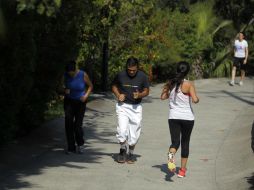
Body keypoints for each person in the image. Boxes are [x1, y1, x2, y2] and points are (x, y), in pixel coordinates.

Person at [161, 61, 199, 178]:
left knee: (175, 142)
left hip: (173, 117)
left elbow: (163, 97)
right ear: (187, 71)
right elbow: (195, 99)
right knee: (185, 142)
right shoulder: (189, 84)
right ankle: (182, 171)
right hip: (187, 118)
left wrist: (170, 93)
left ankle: (171, 156)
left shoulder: (170, 83)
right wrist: (196, 98)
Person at [112, 57, 149, 164]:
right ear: (126, 68)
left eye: (134, 70)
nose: (132, 72)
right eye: (129, 70)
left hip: (136, 107)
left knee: (134, 133)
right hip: (122, 106)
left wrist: (140, 94)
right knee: (122, 130)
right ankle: (123, 150)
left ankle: (131, 153)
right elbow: (114, 86)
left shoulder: (142, 76)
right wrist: (118, 95)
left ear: (137, 68)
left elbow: (146, 91)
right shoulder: (120, 75)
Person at [64, 60, 93, 154]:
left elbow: (90, 86)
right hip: (69, 102)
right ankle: (71, 147)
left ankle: (80, 144)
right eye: (69, 74)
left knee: (77, 126)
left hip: (80, 103)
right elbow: (59, 86)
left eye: (72, 74)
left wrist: (86, 96)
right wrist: (64, 90)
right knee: (68, 124)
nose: (70, 75)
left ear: (75, 70)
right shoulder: (65, 75)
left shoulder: (83, 74)